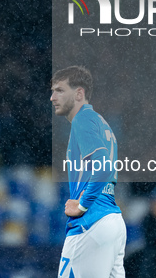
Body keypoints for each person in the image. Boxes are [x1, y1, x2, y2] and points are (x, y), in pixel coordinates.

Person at [51, 66, 126, 278]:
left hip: (91, 223)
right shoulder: (103, 125)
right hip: (112, 222)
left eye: (59, 90)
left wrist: (83, 204)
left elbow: (103, 168)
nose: (52, 97)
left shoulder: (82, 121)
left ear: (79, 93)